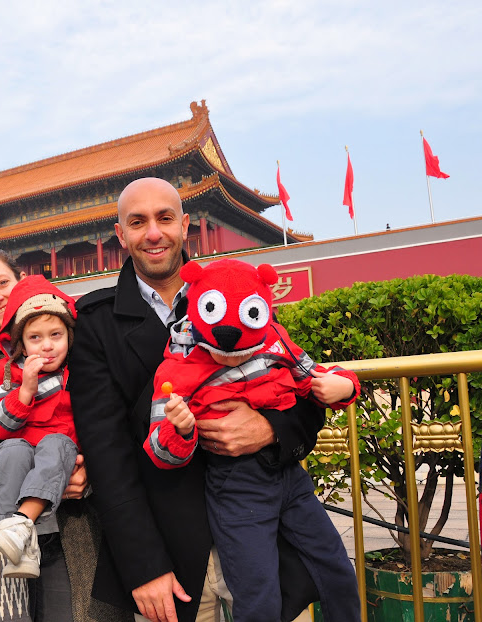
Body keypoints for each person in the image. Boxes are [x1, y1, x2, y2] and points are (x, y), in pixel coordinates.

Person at [68, 177, 325, 622]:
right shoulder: (96, 322)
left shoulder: (238, 290)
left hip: (266, 527)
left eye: (165, 218)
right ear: (120, 234)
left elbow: (302, 388)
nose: (153, 233)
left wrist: (269, 429)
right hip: (172, 550)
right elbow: (107, 453)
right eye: (138, 222)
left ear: (185, 225)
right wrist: (143, 564)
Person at [144, 258, 361, 622]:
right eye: (222, 352)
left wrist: (345, 385)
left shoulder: (274, 338)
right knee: (259, 597)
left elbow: (311, 374)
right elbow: (159, 449)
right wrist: (180, 430)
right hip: (236, 486)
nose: (234, 356)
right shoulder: (178, 368)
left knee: (337, 570)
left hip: (290, 476)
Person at [0, 247, 131, 622]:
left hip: (72, 525)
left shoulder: (72, 344)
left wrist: (86, 474)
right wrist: (23, 487)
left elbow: (109, 425)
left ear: (20, 280)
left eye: (3, 282)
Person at [0, 275, 79, 580]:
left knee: (56, 443)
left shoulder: (77, 371)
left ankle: (20, 527)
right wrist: (25, 391)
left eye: (56, 335)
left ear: (69, 337)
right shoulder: (4, 374)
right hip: (21, 453)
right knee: (12, 450)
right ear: (21, 345)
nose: (47, 345)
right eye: (35, 337)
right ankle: (19, 545)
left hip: (58, 454)